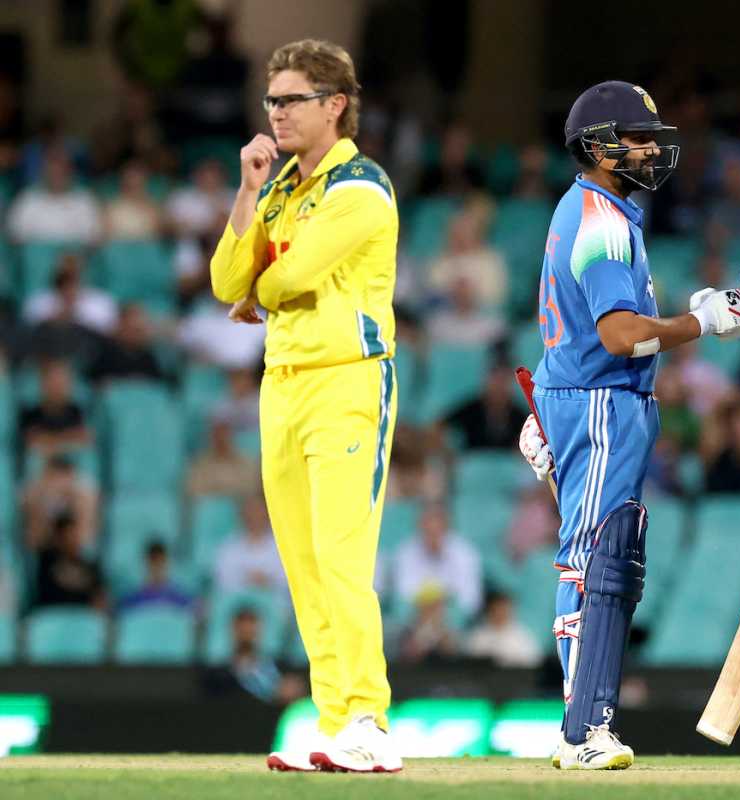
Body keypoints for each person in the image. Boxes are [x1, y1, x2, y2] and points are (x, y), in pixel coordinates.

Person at [516, 80, 740, 771]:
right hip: (601, 400)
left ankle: (585, 724)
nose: (650, 148)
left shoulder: (592, 211)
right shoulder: (602, 221)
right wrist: (700, 323)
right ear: (597, 146)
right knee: (593, 564)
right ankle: (581, 729)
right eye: (636, 136)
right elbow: (619, 336)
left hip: (588, 397)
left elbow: (583, 322)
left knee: (600, 559)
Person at [208, 39, 402, 774]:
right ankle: (335, 723)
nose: (276, 114)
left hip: (348, 381)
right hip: (281, 383)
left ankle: (370, 720)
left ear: (335, 105)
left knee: (341, 557)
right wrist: (250, 189)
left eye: (291, 100)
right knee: (303, 563)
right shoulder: (283, 185)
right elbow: (231, 279)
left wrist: (263, 284)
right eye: (271, 102)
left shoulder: (362, 187)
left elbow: (286, 279)